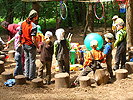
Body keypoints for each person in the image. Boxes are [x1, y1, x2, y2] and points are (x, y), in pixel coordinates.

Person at [18, 9, 39, 81]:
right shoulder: (34, 26)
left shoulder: (23, 23)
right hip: (30, 45)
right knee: (32, 61)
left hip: (24, 45)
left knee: (27, 60)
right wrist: (37, 46)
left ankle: (26, 75)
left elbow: (20, 33)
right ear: (35, 17)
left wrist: (19, 41)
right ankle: (31, 76)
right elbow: (33, 39)